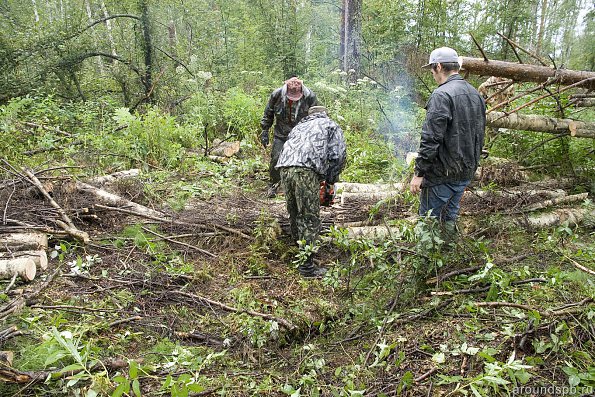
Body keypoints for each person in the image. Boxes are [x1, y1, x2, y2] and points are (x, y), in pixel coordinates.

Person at [410, 47, 486, 238]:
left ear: (439, 66)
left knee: (429, 222)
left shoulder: (441, 95)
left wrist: (419, 173)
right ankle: (450, 255)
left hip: (441, 175)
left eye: (432, 69)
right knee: (450, 217)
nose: (432, 74)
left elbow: (431, 139)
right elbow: (479, 134)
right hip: (465, 172)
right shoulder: (475, 94)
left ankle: (425, 261)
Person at [276, 106, 347, 277]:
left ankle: (298, 253)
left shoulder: (298, 127)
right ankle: (307, 267)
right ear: (324, 114)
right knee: (309, 216)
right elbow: (338, 155)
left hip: (284, 168)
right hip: (306, 170)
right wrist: (330, 181)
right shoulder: (330, 125)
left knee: (294, 212)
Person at [261, 76, 318, 198]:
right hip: (281, 133)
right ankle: (274, 185)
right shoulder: (277, 95)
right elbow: (269, 112)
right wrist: (265, 130)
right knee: (276, 158)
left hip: (302, 135)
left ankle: (300, 187)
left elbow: (316, 118)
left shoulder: (310, 97)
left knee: (302, 161)